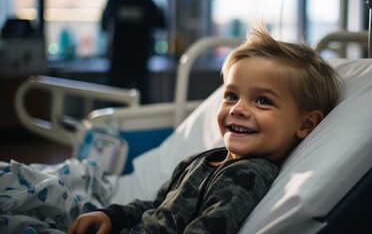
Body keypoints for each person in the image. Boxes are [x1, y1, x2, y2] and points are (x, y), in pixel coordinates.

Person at [67, 23, 342, 234]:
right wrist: (111, 216)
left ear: (305, 124)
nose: (237, 109)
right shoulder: (200, 160)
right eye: (231, 96)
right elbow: (156, 206)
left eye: (262, 101)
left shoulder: (249, 176)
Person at [101, 0, 165, 104]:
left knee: (117, 98)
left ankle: (116, 120)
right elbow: (161, 24)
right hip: (136, 57)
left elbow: (103, 25)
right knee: (140, 98)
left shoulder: (116, 2)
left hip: (122, 57)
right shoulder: (147, 3)